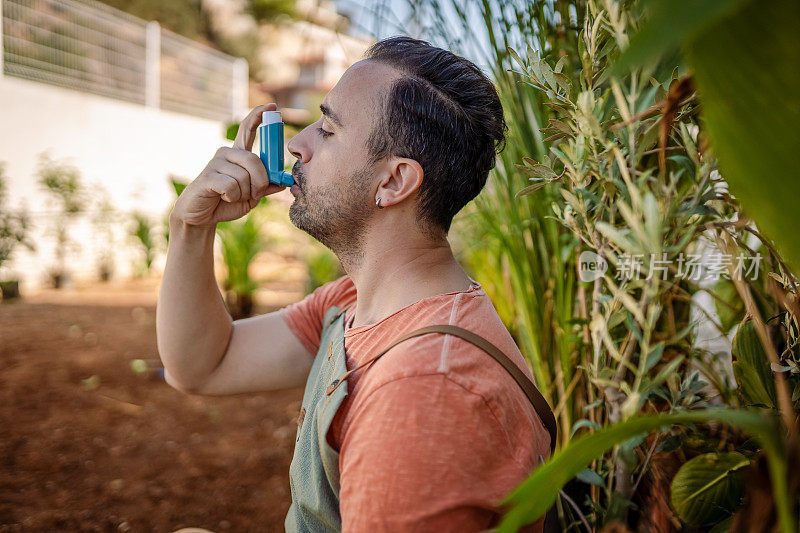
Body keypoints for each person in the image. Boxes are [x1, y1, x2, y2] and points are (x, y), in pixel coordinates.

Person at [156, 35, 555, 532]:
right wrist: (191, 228)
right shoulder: (356, 302)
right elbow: (200, 366)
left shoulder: (419, 396)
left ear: (393, 182)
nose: (297, 145)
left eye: (327, 130)